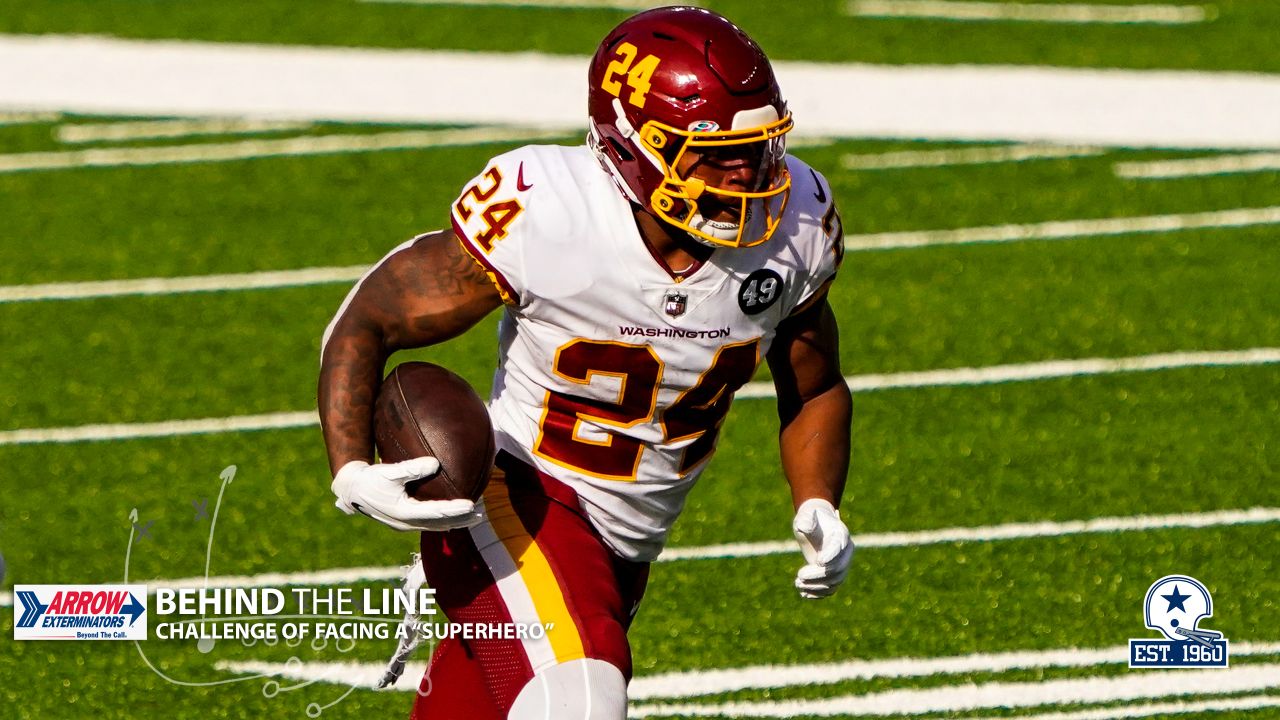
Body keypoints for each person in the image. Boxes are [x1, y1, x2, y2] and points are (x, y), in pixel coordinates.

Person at [317, 6, 853, 718]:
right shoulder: (551, 211)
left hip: (621, 554)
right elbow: (368, 320)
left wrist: (816, 499)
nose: (747, 171)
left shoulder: (798, 226)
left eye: (758, 147)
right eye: (713, 150)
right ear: (630, 146)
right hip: (515, 498)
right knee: (581, 701)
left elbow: (814, 386)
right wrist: (350, 465)